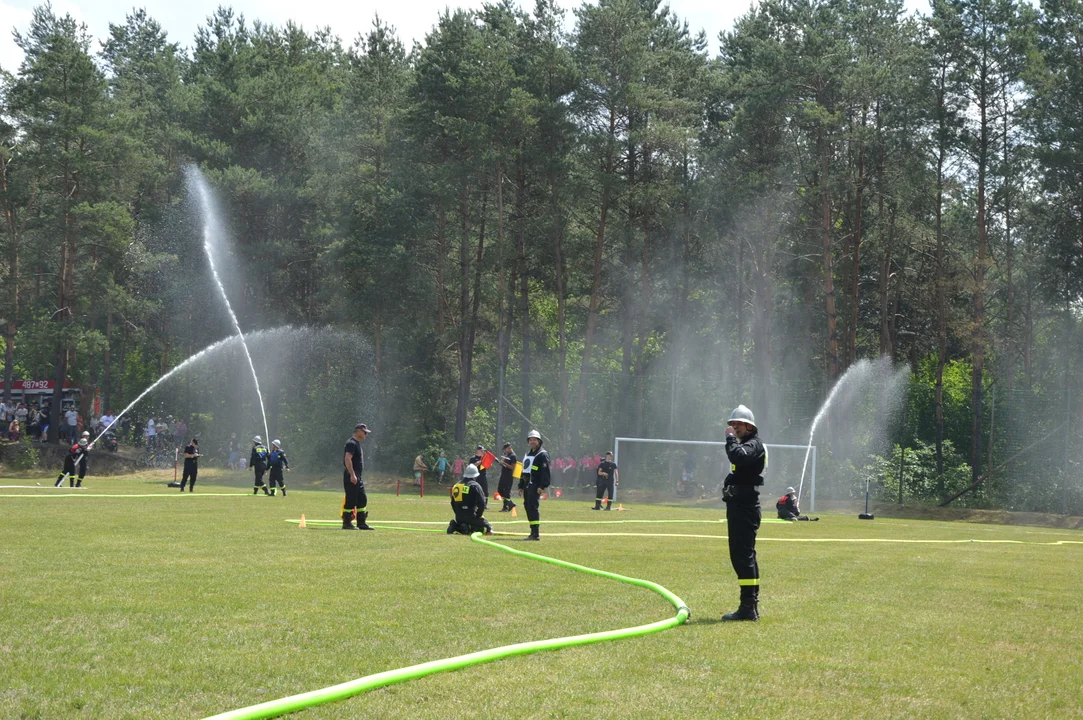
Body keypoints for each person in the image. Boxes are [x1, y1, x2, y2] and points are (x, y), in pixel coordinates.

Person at [721, 405, 767, 622]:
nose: (733, 427)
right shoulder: (748, 444)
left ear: (750, 426)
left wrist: (729, 440)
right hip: (740, 505)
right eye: (732, 424)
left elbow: (738, 457)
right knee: (742, 556)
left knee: (743, 557)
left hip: (745, 506)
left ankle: (748, 607)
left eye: (737, 424)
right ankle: (749, 606)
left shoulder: (753, 445)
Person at [518, 429, 550, 541]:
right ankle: (532, 531)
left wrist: (542, 486)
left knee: (532, 507)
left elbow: (545, 472)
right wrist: (520, 486)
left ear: (539, 441)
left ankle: (535, 534)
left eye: (534, 440)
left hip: (535, 485)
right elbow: (524, 471)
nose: (532, 441)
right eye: (530, 440)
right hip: (527, 484)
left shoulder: (542, 455)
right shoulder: (528, 454)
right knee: (528, 506)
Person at [342, 423, 374, 530]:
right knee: (351, 499)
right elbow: (347, 459)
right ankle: (347, 523)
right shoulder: (351, 443)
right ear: (358, 431)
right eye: (365, 432)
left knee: (362, 499)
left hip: (357, 476)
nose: (366, 434)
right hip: (352, 475)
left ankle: (361, 523)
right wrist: (352, 475)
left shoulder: (357, 443)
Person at [447, 463, 493, 536]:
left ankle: (456, 526)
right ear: (475, 476)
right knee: (484, 526)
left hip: (459, 517)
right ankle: (467, 527)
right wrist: (479, 515)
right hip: (471, 515)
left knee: (465, 522)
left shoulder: (456, 485)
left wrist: (458, 514)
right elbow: (482, 503)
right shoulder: (474, 485)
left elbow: (452, 503)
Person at [496, 442, 518, 512]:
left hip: (509, 476)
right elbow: (502, 464)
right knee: (500, 489)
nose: (505, 451)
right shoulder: (507, 455)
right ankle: (510, 503)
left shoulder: (513, 456)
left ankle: (505, 507)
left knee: (506, 492)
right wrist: (501, 462)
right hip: (503, 475)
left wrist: (504, 463)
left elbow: (512, 467)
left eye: (505, 449)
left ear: (509, 448)